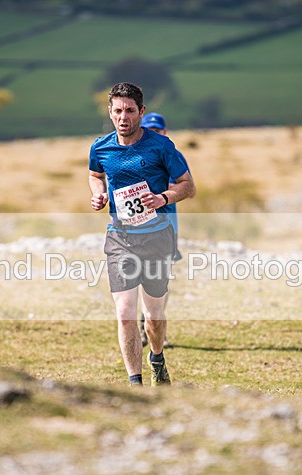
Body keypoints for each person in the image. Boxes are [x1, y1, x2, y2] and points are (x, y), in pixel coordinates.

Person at [88, 82, 196, 386]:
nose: (124, 117)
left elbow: (188, 186)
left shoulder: (161, 147)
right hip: (119, 237)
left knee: (154, 314)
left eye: (130, 111)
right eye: (118, 111)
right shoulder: (100, 147)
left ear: (141, 112)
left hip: (157, 237)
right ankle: (135, 385)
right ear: (110, 112)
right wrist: (99, 195)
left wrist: (163, 198)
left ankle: (157, 356)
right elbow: (96, 174)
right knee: (124, 312)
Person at [138, 112, 188, 349]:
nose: (154, 134)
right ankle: (142, 325)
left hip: (167, 227)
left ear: (164, 132)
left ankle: (156, 328)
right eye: (150, 130)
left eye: (158, 130)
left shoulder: (173, 156)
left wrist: (166, 193)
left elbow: (187, 187)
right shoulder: (134, 156)